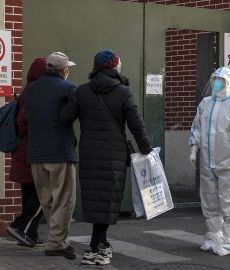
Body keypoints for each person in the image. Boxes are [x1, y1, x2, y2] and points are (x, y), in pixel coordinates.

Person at [61, 49, 153, 265]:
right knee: (107, 200)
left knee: (96, 200)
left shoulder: (82, 91)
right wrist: (147, 150)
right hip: (114, 156)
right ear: (113, 67)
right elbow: (136, 125)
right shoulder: (123, 92)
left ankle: (101, 244)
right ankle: (94, 249)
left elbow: (64, 118)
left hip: (90, 153)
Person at [189, 67, 230, 256]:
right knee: (209, 198)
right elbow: (197, 127)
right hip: (208, 162)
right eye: (215, 79)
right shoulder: (205, 103)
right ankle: (214, 235)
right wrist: (194, 149)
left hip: (229, 162)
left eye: (221, 80)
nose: (217, 83)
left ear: (228, 82)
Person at [25, 51, 77, 259]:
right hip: (59, 153)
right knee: (63, 200)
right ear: (64, 70)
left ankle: (56, 239)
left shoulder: (31, 89)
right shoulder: (69, 88)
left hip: (36, 154)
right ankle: (57, 243)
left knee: (47, 200)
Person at [6, 57, 46, 248]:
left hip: (25, 151)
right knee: (44, 192)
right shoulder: (34, 91)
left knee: (31, 193)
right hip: (31, 151)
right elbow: (23, 121)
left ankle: (30, 234)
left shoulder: (28, 90)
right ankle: (19, 227)